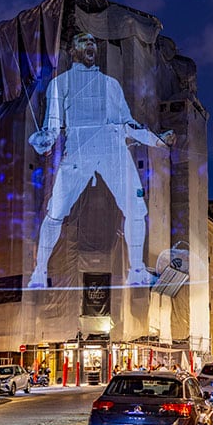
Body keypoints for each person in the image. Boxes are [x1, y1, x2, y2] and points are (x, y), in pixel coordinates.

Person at [28, 31, 173, 288]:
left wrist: (158, 140)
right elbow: (52, 127)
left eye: (93, 41)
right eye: (84, 41)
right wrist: (43, 141)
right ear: (73, 50)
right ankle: (39, 272)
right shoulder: (60, 84)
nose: (91, 45)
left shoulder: (110, 84)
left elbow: (128, 124)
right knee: (55, 213)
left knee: (137, 210)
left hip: (113, 150)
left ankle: (137, 270)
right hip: (79, 153)